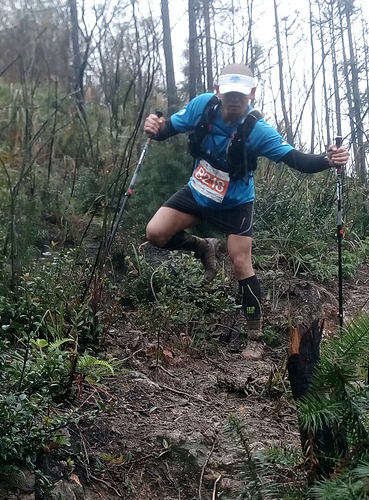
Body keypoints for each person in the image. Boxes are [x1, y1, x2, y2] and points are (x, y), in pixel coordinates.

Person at [143, 63, 349, 359]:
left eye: (241, 93)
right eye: (229, 93)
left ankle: (255, 337)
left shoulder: (258, 131)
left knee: (241, 263)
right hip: (198, 192)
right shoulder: (202, 107)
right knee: (155, 233)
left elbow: (299, 161)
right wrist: (155, 125)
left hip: (235, 203)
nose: (235, 99)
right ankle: (203, 247)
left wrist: (328, 160)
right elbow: (167, 130)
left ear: (251, 93)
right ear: (218, 91)